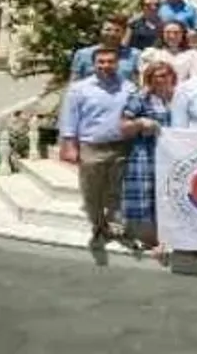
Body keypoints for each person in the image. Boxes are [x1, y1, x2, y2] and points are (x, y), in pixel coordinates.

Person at [57, 48, 144, 249]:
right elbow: (69, 118)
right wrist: (69, 145)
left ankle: (115, 228)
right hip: (91, 146)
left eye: (110, 62)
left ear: (117, 64)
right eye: (101, 62)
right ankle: (98, 227)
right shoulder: (79, 89)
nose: (106, 66)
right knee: (91, 191)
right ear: (94, 64)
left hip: (122, 146)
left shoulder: (129, 88)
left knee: (117, 191)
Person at [120, 60, 175, 252]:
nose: (163, 79)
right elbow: (123, 126)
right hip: (146, 151)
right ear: (149, 78)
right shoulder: (140, 98)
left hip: (171, 153)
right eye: (158, 76)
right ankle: (146, 238)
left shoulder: (177, 97)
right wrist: (140, 123)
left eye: (166, 75)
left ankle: (168, 237)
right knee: (146, 192)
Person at [70, 16, 141, 83]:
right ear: (100, 31)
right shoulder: (83, 54)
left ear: (123, 33)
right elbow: (74, 82)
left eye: (117, 30)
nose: (112, 34)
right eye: (108, 30)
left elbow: (139, 82)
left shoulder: (135, 55)